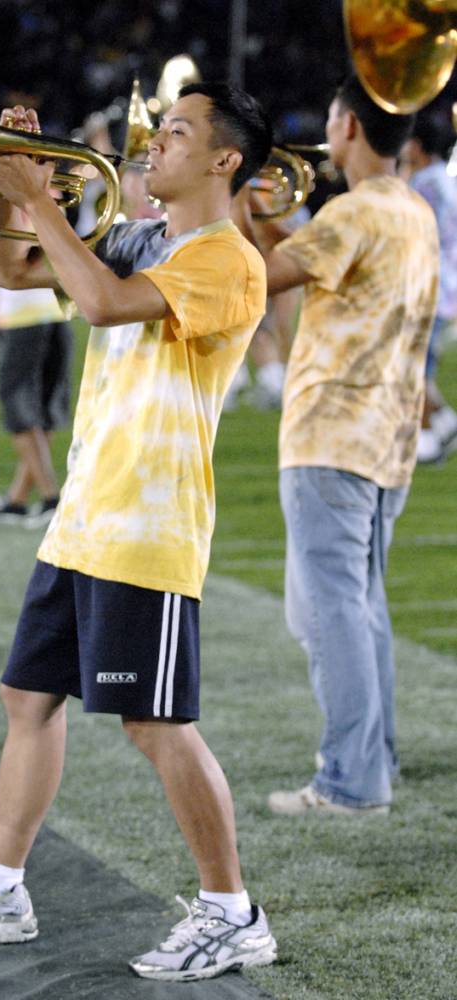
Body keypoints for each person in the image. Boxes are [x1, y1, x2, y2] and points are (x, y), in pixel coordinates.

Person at [0, 82, 278, 981]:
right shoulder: (142, 234)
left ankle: (231, 911)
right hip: (86, 517)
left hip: (150, 525)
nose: (155, 144)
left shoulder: (229, 260)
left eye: (176, 133)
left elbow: (101, 302)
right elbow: (13, 270)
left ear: (223, 160)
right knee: (28, 699)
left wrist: (36, 199)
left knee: (153, 723)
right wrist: (3, 185)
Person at [237, 76, 439, 816]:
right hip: (387, 439)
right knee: (361, 608)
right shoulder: (408, 209)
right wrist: (259, 211)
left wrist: (227, 197)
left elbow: (258, 281)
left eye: (328, 116)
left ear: (348, 126)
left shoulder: (352, 211)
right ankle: (372, 761)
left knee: (328, 614)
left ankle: (350, 781)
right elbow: (306, 262)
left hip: (332, 435)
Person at [0, 216, 73, 528]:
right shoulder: (51, 200)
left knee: (19, 410)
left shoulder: (11, 201)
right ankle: (18, 498)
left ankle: (52, 499)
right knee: (42, 411)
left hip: (22, 317)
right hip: (56, 311)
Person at [398, 117, 457, 462]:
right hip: (446, 285)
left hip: (426, 286)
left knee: (411, 369)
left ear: (416, 146)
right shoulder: (447, 180)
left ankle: (427, 441)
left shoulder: (422, 183)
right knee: (420, 367)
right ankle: (445, 422)